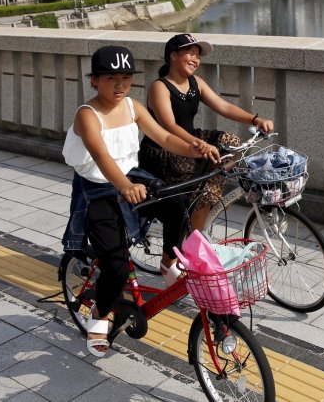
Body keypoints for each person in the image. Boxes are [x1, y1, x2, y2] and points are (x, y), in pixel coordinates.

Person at [60, 45, 216, 357]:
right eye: (111, 79)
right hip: (98, 189)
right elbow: (102, 157)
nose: (119, 85)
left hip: (132, 176)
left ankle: (167, 262)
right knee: (116, 268)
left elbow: (166, 138)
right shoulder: (86, 115)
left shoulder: (132, 106)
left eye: (126, 78)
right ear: (94, 80)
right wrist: (125, 186)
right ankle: (98, 316)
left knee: (177, 208)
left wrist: (196, 147)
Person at [140, 33, 274, 232]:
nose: (195, 59)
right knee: (205, 192)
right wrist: (198, 143)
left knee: (231, 142)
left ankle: (207, 200)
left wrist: (255, 119)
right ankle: (196, 230)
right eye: (190, 53)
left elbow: (224, 106)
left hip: (191, 141)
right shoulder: (160, 87)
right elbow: (169, 126)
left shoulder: (196, 82)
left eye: (198, 56)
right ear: (172, 56)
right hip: (166, 151)